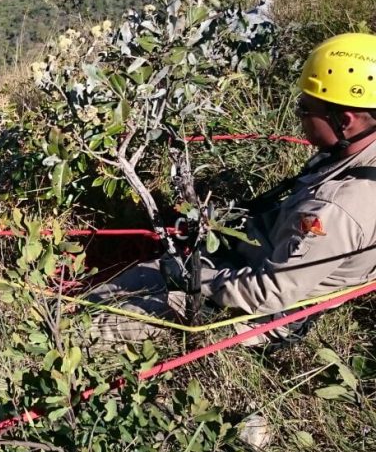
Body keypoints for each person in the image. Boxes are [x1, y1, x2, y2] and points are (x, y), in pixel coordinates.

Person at [92, 32, 376, 345]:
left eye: (305, 109)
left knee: (95, 328)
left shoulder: (338, 210)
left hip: (249, 305)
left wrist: (194, 279)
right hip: (246, 261)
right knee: (137, 279)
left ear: (345, 120)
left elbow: (269, 292)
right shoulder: (351, 152)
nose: (299, 116)